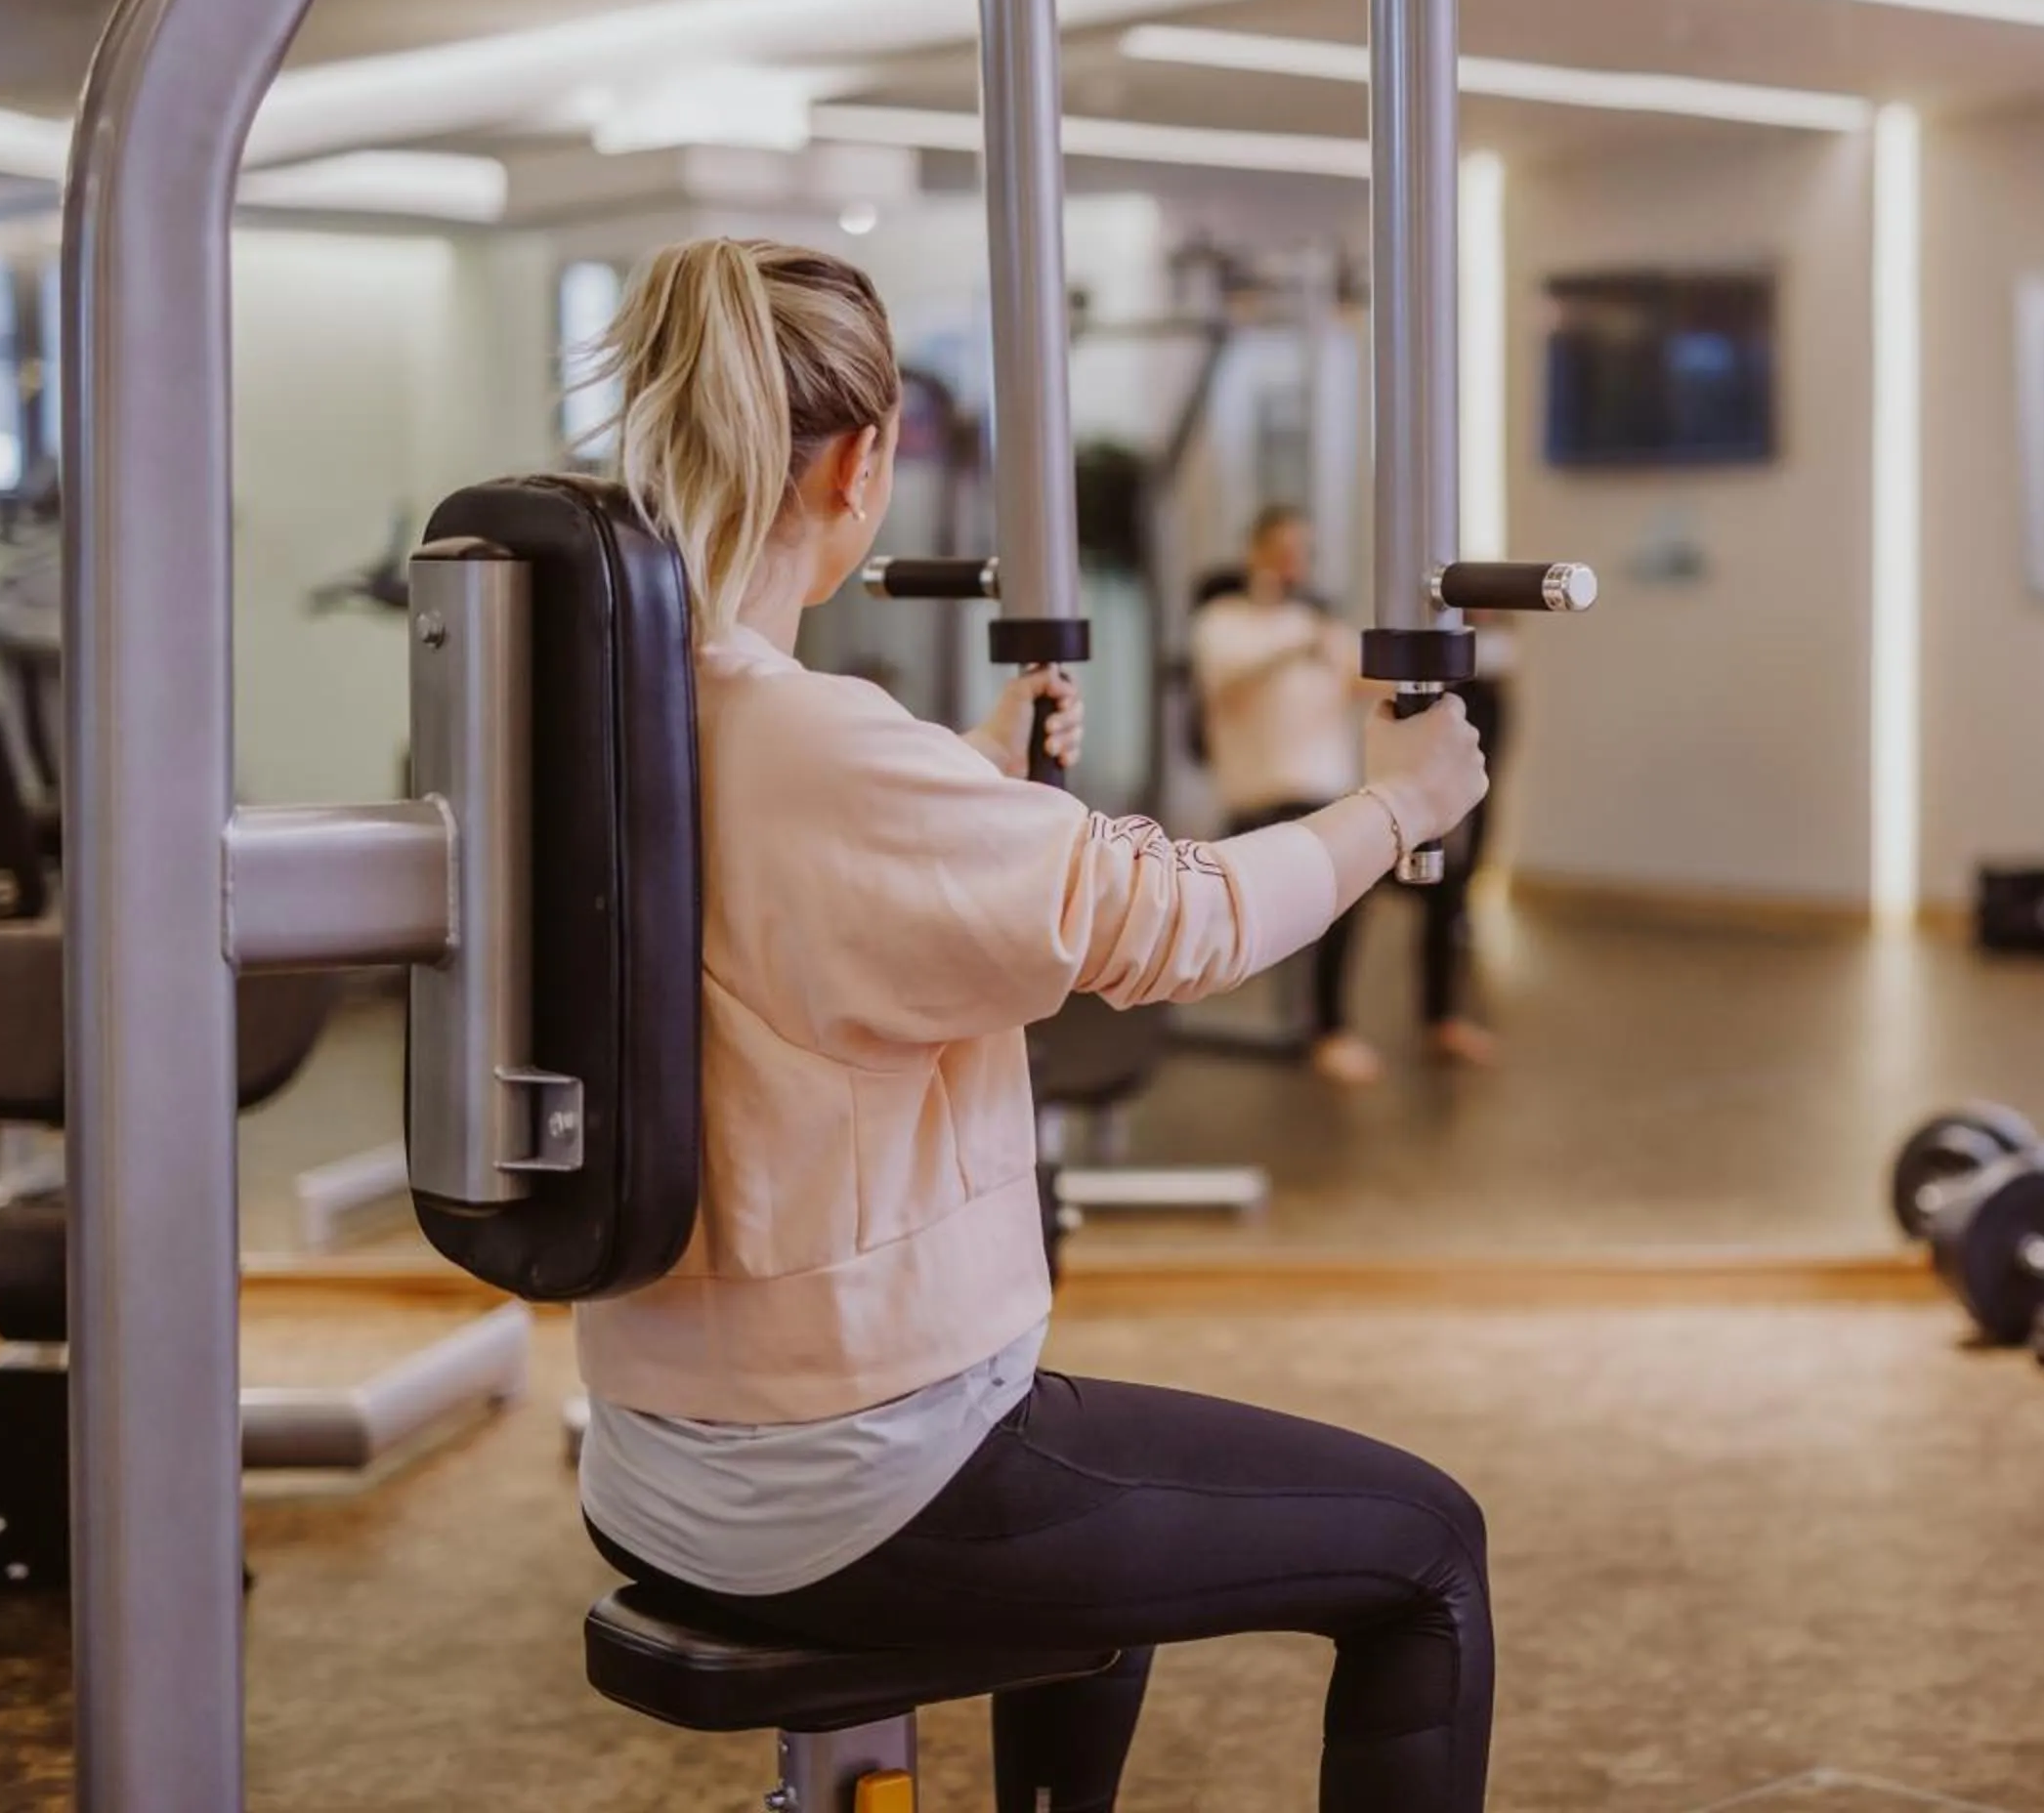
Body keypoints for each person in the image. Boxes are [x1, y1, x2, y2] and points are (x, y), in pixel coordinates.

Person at [570, 239, 1496, 1813]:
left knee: (1116, 1532)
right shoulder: (814, 740)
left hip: (652, 1464)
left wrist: (978, 770)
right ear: (863, 463)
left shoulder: (604, 706)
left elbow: (794, 893)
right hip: (856, 1486)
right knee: (1428, 1551)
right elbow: (1183, 920)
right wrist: (1395, 807)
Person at [1192, 506, 1496, 1082]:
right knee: (1343, 879)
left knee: (1444, 878)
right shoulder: (1223, 622)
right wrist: (1294, 642)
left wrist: (1435, 650)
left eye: (1301, 552)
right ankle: (1329, 1032)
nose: (1292, 563)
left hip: (1335, 804)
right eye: (1281, 551)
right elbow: (1225, 686)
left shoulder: (1321, 630)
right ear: (1253, 555)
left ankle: (1441, 1017)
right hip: (1266, 805)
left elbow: (1374, 680)